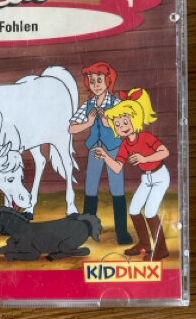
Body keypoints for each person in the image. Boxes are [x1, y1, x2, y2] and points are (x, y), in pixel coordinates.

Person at [91, 87, 170, 260]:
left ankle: (161, 249)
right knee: (134, 210)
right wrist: (105, 155)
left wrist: (144, 158)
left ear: (135, 119)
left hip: (160, 176)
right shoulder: (125, 144)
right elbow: (117, 167)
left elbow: (164, 152)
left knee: (150, 212)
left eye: (125, 121)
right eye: (118, 124)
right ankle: (145, 244)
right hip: (146, 178)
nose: (122, 127)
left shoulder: (146, 137)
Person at [69, 62, 133, 245]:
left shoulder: (116, 103)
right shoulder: (88, 104)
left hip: (113, 149)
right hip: (95, 150)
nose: (95, 84)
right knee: (90, 188)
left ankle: (122, 232)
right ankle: (86, 230)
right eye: (92, 81)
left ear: (108, 81)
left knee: (117, 190)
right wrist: (88, 123)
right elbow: (72, 128)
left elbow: (125, 127)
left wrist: (109, 123)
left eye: (99, 80)